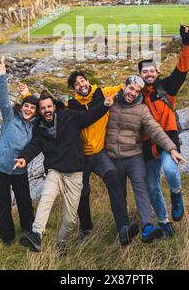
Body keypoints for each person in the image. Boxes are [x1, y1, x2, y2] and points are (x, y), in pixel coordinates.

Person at [14, 90, 124, 253]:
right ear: (40, 111)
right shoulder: (39, 127)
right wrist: (24, 158)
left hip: (74, 173)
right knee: (46, 198)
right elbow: (34, 145)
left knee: (71, 219)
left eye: (49, 106)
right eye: (43, 108)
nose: (47, 110)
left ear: (54, 107)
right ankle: (36, 235)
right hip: (55, 171)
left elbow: (89, 116)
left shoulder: (69, 117)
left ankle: (62, 243)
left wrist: (104, 106)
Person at [105, 75, 187, 243]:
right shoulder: (110, 104)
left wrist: (171, 149)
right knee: (118, 196)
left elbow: (155, 130)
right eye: (131, 88)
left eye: (137, 91)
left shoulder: (142, 109)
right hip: (113, 158)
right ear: (124, 87)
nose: (133, 93)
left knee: (141, 189)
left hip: (134, 156)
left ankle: (147, 228)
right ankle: (124, 230)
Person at [67, 71, 139, 246]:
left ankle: (123, 228)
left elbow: (125, 86)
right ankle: (86, 230)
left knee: (114, 179)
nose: (81, 85)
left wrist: (140, 77)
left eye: (82, 80)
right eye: (76, 84)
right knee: (82, 192)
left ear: (87, 80)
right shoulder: (71, 105)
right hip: (81, 157)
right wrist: (26, 94)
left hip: (100, 154)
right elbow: (53, 110)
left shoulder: (102, 92)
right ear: (73, 89)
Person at [138, 23, 189, 235]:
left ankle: (176, 195)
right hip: (146, 145)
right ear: (140, 75)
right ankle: (164, 222)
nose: (149, 74)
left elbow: (182, 69)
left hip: (169, 140)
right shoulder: (136, 95)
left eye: (151, 70)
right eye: (144, 71)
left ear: (157, 72)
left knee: (170, 170)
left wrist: (186, 43)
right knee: (152, 187)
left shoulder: (167, 87)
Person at [0, 58, 38, 246]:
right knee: (4, 204)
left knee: (25, 201)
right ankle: (7, 237)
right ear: (22, 106)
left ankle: (28, 229)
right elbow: (3, 99)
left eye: (32, 108)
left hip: (19, 170)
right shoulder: (10, 117)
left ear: (35, 112)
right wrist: (2, 77)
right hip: (0, 167)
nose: (28, 109)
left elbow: (42, 106)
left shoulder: (35, 126)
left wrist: (28, 94)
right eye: (26, 105)